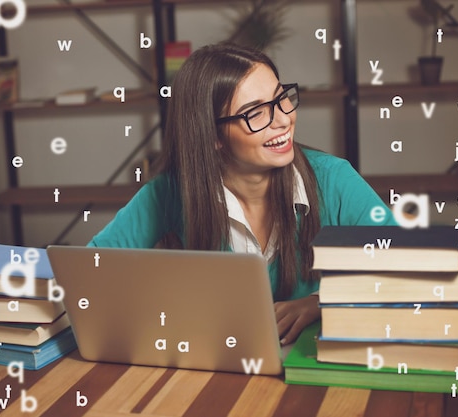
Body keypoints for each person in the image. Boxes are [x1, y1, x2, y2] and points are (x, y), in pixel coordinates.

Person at [87, 42, 396, 345]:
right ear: (213, 136)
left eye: (281, 99)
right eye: (255, 113)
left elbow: (407, 269)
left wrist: (320, 301)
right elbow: (90, 275)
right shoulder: (167, 194)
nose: (283, 119)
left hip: (309, 376)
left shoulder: (333, 179)